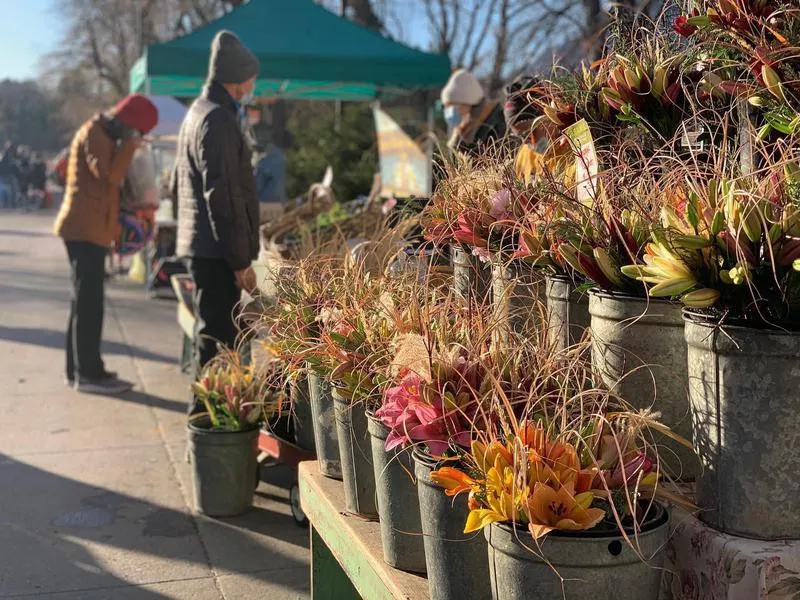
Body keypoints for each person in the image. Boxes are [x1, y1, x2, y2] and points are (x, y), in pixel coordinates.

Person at [173, 30, 260, 411]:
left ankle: (207, 427)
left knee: (212, 341)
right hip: (215, 252)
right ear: (238, 78)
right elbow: (222, 198)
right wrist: (240, 260)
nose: (254, 85)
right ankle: (207, 428)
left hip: (202, 246)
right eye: (252, 77)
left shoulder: (198, 112)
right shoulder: (218, 120)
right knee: (218, 347)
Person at [54, 94, 159, 394]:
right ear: (128, 125)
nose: (137, 139)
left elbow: (108, 188)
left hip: (90, 228)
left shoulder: (100, 133)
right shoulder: (95, 134)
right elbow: (109, 176)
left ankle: (78, 370)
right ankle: (89, 374)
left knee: (83, 301)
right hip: (83, 229)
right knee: (89, 303)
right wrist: (129, 147)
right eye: (137, 132)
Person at [441, 68, 507, 158]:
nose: (449, 112)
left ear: (468, 103)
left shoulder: (496, 124)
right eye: (446, 107)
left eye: (453, 106)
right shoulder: (466, 126)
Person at [503, 75, 559, 150]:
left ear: (550, 115)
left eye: (528, 133)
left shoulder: (578, 140)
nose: (525, 142)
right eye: (520, 137)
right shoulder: (525, 158)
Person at [250, 127, 287, 224]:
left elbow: (255, 188)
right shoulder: (279, 156)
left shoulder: (262, 162)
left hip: (264, 209)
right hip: (280, 207)